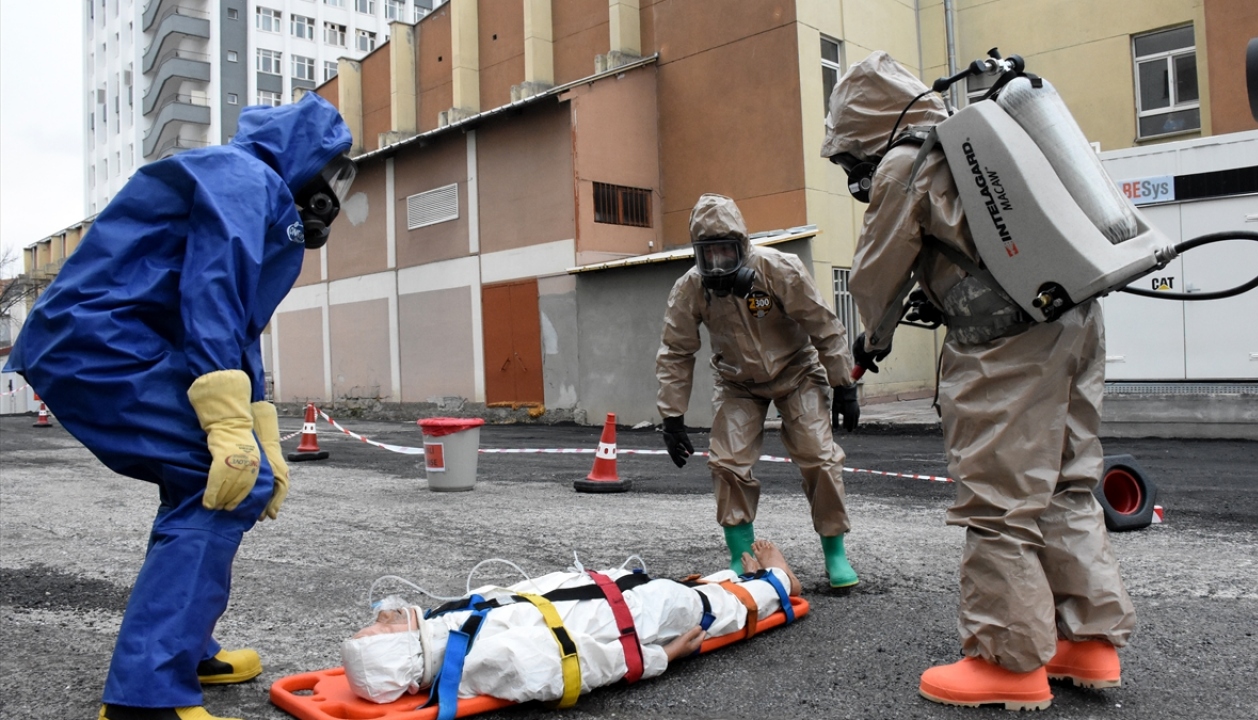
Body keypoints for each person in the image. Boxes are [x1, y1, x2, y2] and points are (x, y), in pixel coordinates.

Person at [4, 93, 355, 720]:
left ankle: (179, 650)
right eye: (338, 170)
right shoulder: (247, 178)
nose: (339, 188)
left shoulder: (255, 190)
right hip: (100, 343)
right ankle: (148, 694)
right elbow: (212, 291)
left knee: (218, 478)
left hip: (108, 341)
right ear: (313, 162)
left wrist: (260, 434)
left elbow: (239, 329)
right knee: (216, 480)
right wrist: (227, 429)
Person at [821, 52, 1136, 710]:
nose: (855, 174)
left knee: (998, 496)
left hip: (1006, 345)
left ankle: (1007, 658)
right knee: (1065, 482)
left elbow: (876, 274)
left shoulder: (908, 163)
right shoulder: (975, 144)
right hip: (1073, 315)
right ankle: (1089, 642)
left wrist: (868, 342)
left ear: (872, 132)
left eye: (853, 159)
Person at [654, 193, 861, 589]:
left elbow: (823, 323)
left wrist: (843, 384)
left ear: (743, 246)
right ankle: (741, 555)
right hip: (738, 382)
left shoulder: (778, 269)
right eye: (707, 253)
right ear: (697, 253)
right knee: (727, 462)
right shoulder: (691, 288)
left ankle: (835, 552)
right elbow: (676, 351)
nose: (717, 262)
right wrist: (672, 416)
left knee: (819, 457)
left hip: (796, 371)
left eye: (725, 252)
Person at [341, 540, 803, 706]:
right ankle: (779, 581)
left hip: (598, 595)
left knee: (677, 589)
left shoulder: (444, 630)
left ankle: (739, 578)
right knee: (701, 608)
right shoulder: (480, 661)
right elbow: (580, 664)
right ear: (401, 654)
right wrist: (663, 656)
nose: (383, 614)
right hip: (623, 624)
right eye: (380, 628)